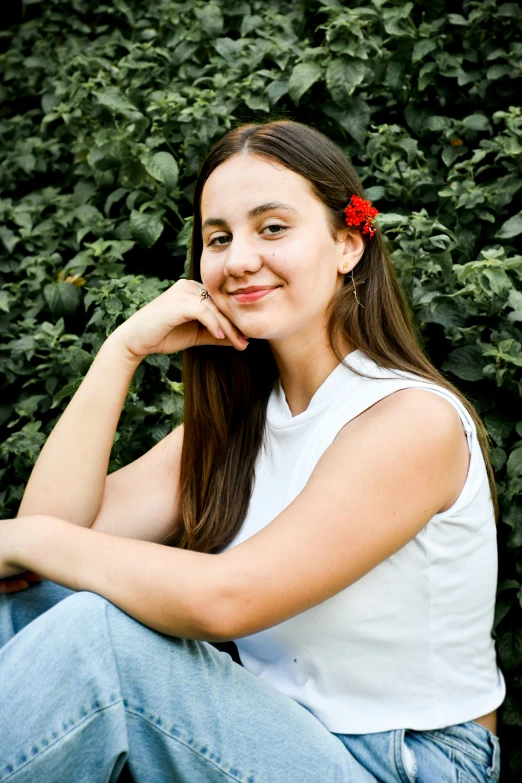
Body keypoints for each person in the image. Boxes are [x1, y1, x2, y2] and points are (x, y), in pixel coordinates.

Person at [0, 120, 505, 783]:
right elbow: (50, 547)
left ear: (347, 244)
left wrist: (21, 536)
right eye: (219, 237)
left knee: (101, 638)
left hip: (406, 764)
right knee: (27, 602)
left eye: (272, 228)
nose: (238, 259)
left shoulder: (409, 421)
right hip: (279, 732)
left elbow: (227, 600)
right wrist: (119, 351)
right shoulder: (241, 427)